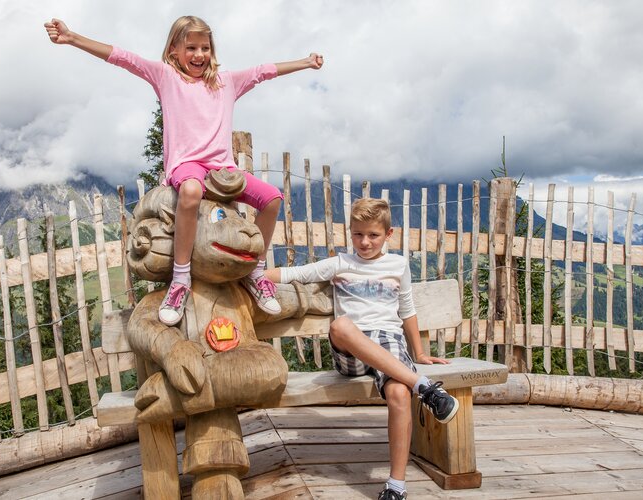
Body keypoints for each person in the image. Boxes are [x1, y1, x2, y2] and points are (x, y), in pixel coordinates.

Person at [45, 16, 323, 325]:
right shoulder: (166, 77)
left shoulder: (226, 82)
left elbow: (263, 72)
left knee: (272, 198)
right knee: (191, 191)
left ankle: (255, 272)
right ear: (174, 50)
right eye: (190, 48)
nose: (199, 55)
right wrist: (73, 38)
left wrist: (305, 62)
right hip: (186, 165)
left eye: (205, 47)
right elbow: (123, 58)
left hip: (223, 170)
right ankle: (180, 280)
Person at [264, 197, 458, 500]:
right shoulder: (341, 264)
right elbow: (292, 274)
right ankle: (426, 388)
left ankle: (396, 486)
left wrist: (418, 353)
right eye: (358, 234)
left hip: (389, 342)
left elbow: (407, 310)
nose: (364, 242)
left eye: (373, 235)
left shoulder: (397, 265)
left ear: (389, 234)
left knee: (398, 393)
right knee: (340, 326)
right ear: (349, 232)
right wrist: (251, 276)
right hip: (351, 348)